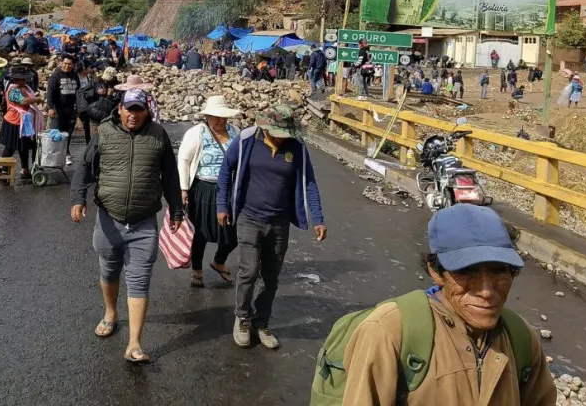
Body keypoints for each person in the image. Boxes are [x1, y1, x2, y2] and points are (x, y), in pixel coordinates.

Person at [334, 204, 555, 405]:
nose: (487, 291)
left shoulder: (521, 338)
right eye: (466, 272)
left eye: (498, 270)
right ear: (435, 272)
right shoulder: (389, 332)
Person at [70, 89, 184, 364]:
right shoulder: (105, 133)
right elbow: (84, 167)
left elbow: (170, 174)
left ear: (147, 111)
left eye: (139, 109)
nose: (133, 115)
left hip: (144, 221)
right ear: (119, 108)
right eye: (129, 109)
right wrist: (78, 198)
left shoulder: (158, 135)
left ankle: (134, 343)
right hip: (109, 218)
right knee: (109, 269)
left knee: (139, 279)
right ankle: (110, 313)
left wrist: (177, 208)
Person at [217, 104, 326, 350]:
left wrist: (318, 218)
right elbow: (226, 171)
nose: (282, 137)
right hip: (249, 217)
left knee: (271, 277)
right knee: (249, 270)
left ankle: (261, 321)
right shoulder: (247, 140)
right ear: (266, 127)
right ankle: (243, 317)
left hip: (279, 222)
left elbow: (309, 182)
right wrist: (221, 206)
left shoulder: (297, 148)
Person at [178, 95, 241, 288]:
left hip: (229, 191)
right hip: (203, 189)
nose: (221, 120)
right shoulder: (197, 133)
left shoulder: (236, 132)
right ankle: (197, 269)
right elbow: (184, 160)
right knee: (201, 232)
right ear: (208, 116)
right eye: (217, 116)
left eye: (224, 116)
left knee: (232, 235)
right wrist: (183, 188)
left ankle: (218, 261)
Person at [0, 64, 45, 179]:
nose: (25, 80)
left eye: (25, 78)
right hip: (13, 122)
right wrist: (38, 99)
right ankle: (4, 169)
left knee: (23, 147)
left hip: (24, 121)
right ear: (15, 79)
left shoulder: (24, 87)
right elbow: (24, 101)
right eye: (22, 78)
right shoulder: (13, 90)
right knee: (10, 147)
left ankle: (25, 169)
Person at [46, 54, 81, 156]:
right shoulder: (55, 76)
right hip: (58, 109)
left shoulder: (75, 76)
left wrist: (78, 108)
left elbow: (78, 92)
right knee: (57, 132)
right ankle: (55, 153)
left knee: (68, 132)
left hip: (71, 109)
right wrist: (51, 108)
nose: (67, 66)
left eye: (70, 64)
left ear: (73, 65)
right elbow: (50, 93)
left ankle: (66, 151)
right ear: (61, 63)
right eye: (65, 63)